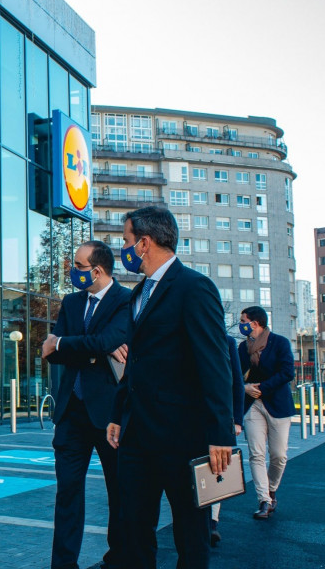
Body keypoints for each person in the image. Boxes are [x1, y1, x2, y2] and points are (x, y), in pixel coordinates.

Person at [106, 206, 235, 569]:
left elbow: (215, 363)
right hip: (136, 436)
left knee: (191, 536)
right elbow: (136, 363)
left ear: (144, 243)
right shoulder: (138, 294)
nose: (125, 249)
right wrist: (118, 413)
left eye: (127, 241)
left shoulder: (194, 287)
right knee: (134, 530)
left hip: (183, 438)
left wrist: (221, 433)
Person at [40, 241, 130, 569]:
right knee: (67, 495)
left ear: (97, 270)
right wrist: (96, 349)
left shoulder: (126, 300)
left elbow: (100, 340)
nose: (71, 271)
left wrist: (71, 343)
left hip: (110, 415)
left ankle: (117, 558)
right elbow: (56, 354)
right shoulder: (72, 302)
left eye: (77, 265)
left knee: (119, 493)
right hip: (71, 413)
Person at [238, 305, 295, 520]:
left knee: (279, 456)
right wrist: (245, 388)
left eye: (243, 320)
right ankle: (264, 499)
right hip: (253, 406)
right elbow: (236, 375)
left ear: (255, 323)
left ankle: (271, 490)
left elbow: (287, 372)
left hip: (277, 405)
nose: (241, 323)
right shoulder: (243, 348)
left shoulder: (279, 343)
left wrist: (262, 387)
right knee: (256, 454)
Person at [210, 335, 245, 546]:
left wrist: (237, 420)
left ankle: (212, 521)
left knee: (216, 468)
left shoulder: (228, 342)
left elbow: (237, 383)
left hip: (219, 417)